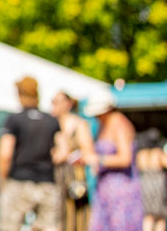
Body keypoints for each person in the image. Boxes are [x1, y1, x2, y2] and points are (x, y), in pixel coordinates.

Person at [0, 76, 61, 231]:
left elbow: (5, 154)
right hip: (47, 182)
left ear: (19, 94)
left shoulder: (13, 119)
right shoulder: (51, 120)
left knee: (10, 226)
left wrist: (3, 182)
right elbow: (61, 151)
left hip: (19, 181)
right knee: (48, 227)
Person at [82, 95, 142, 231]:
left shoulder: (118, 123)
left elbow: (125, 158)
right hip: (105, 188)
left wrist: (98, 159)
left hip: (121, 189)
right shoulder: (102, 125)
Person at [50, 91, 95, 231]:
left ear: (68, 104)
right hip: (55, 175)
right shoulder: (51, 124)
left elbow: (88, 151)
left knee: (76, 216)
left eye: (58, 102)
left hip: (74, 176)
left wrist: (68, 154)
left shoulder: (79, 124)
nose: (54, 105)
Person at [135, 128, 167, 231]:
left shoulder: (140, 154)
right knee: (160, 217)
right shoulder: (159, 153)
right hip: (158, 187)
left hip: (144, 186)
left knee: (147, 217)